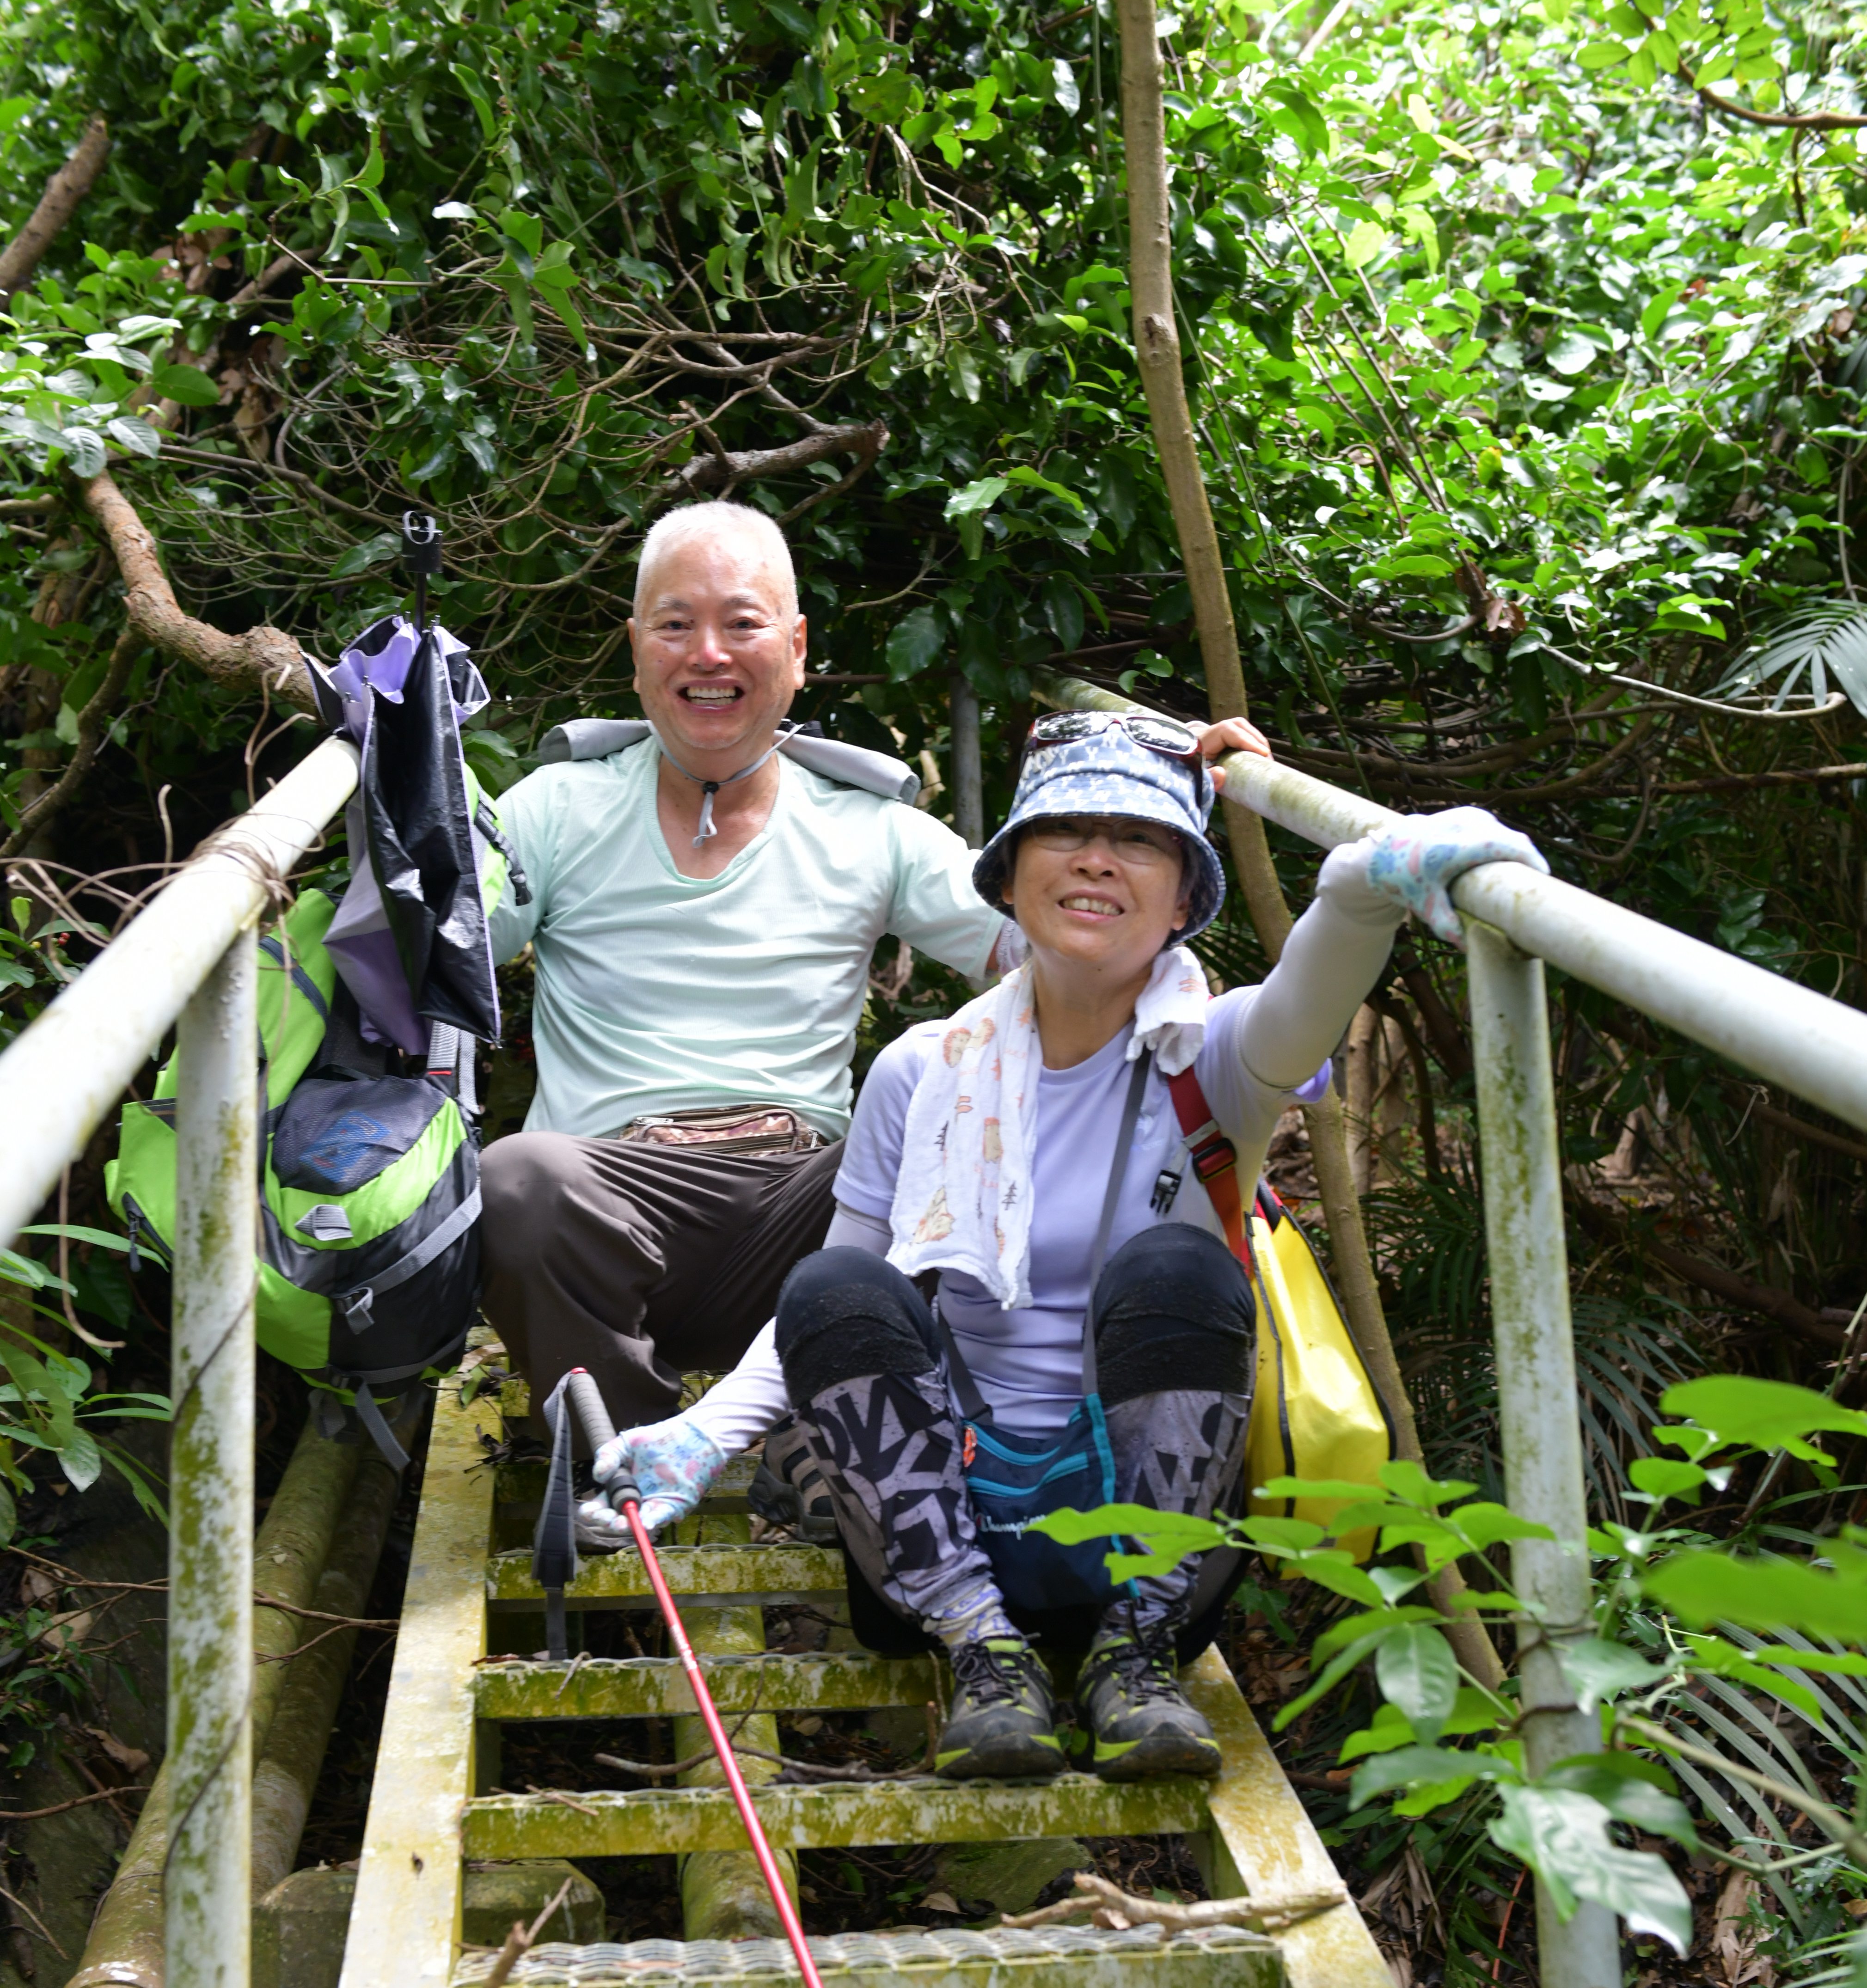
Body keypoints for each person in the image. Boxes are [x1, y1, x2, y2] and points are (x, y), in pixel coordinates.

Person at [590, 714, 1544, 1779]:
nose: (1096, 858)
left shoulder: (1214, 1055)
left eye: (1137, 839)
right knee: (833, 1279)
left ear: (1184, 900)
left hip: (1156, 1552)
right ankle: (986, 1653)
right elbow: (826, 1311)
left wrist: (1365, 885)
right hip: (939, 1533)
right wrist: (702, 1436)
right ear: (1009, 879)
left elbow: (1309, 1002)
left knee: (1179, 1267)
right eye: (1066, 831)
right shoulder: (921, 1070)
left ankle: (1133, 1655)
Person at [479, 500, 1006, 1535]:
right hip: (613, 1200)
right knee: (519, 1179)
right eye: (675, 625)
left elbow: (1043, 937)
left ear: (797, 650)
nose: (708, 654)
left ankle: (826, 1435)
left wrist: (1160, 810)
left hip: (806, 1214)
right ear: (637, 650)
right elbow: (452, 936)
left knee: (947, 1142)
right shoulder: (555, 806)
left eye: (743, 624)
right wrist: (400, 786)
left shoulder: (873, 828)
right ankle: (625, 1458)